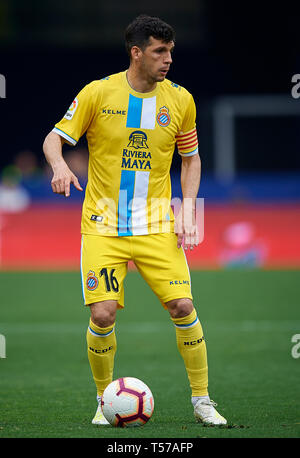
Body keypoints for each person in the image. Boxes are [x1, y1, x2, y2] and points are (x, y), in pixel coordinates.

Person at [43, 14, 227, 426]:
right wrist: (58, 165)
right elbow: (54, 137)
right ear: (137, 53)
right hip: (103, 225)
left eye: (171, 52)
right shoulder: (98, 92)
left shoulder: (181, 100)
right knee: (102, 314)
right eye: (160, 52)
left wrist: (190, 207)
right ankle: (104, 401)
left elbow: (191, 157)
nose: (168, 60)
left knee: (183, 306)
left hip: (158, 224)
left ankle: (202, 401)